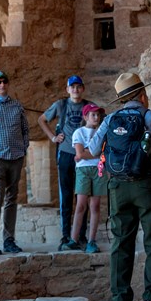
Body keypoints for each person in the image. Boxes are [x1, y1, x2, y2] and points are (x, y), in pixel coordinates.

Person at [88, 73, 151, 301]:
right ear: (142, 95)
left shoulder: (110, 120)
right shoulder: (149, 116)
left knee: (120, 243)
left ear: (121, 99)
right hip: (147, 185)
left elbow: (94, 148)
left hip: (118, 187)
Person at [37, 75, 93, 250]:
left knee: (82, 196)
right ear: (67, 89)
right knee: (66, 196)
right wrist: (53, 137)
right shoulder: (61, 105)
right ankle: (65, 235)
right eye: (72, 87)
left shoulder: (88, 106)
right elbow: (42, 120)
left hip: (83, 157)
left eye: (78, 87)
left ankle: (81, 235)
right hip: (66, 154)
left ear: (82, 88)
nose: (75, 90)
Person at [0, 70, 29, 255]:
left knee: (12, 199)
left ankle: (9, 240)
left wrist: (23, 149)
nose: (2, 85)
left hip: (15, 157)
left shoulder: (16, 105)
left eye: (5, 81)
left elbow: (25, 129)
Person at [61, 103, 107, 254]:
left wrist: (85, 154)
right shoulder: (79, 132)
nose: (96, 117)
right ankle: (74, 239)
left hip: (98, 169)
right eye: (93, 114)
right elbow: (80, 153)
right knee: (81, 205)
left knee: (95, 206)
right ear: (85, 116)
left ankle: (91, 241)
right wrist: (94, 153)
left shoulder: (101, 133)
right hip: (83, 170)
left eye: (98, 115)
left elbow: (86, 155)